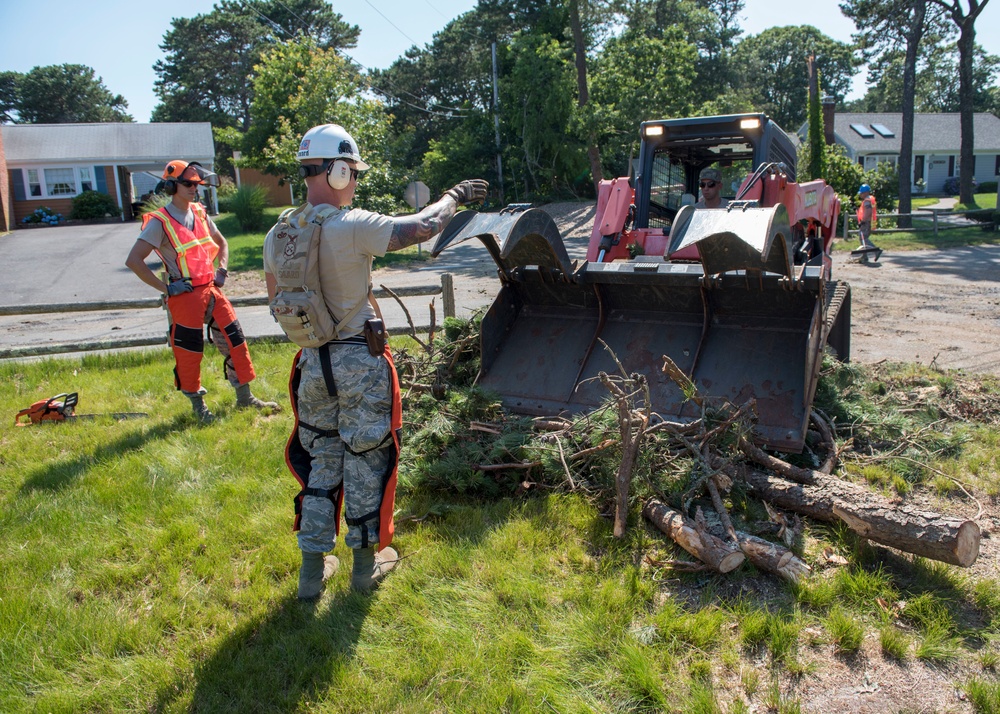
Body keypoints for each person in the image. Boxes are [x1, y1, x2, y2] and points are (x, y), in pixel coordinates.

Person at [263, 123, 487, 599]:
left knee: (321, 460)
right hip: (359, 362)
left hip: (312, 364)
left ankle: (310, 572)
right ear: (340, 170)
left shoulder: (279, 233)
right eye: (355, 173)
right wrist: (455, 195)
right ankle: (364, 569)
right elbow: (423, 226)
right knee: (366, 460)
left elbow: (275, 300)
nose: (357, 182)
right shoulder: (352, 225)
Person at [125, 160, 279, 422]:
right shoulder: (160, 222)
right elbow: (134, 260)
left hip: (211, 290)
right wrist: (166, 288)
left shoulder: (200, 212)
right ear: (172, 185)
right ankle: (199, 409)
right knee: (189, 353)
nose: (194, 188)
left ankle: (245, 398)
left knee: (236, 341)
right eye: (188, 184)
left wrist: (223, 269)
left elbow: (221, 243)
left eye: (196, 184)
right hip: (184, 297)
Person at [855, 183, 882, 263]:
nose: (860, 195)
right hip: (868, 222)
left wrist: (863, 221)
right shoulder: (869, 199)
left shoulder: (867, 201)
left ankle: (876, 250)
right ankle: (864, 256)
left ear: (865, 192)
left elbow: (868, 212)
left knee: (864, 238)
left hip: (866, 222)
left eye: (861, 193)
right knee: (862, 238)